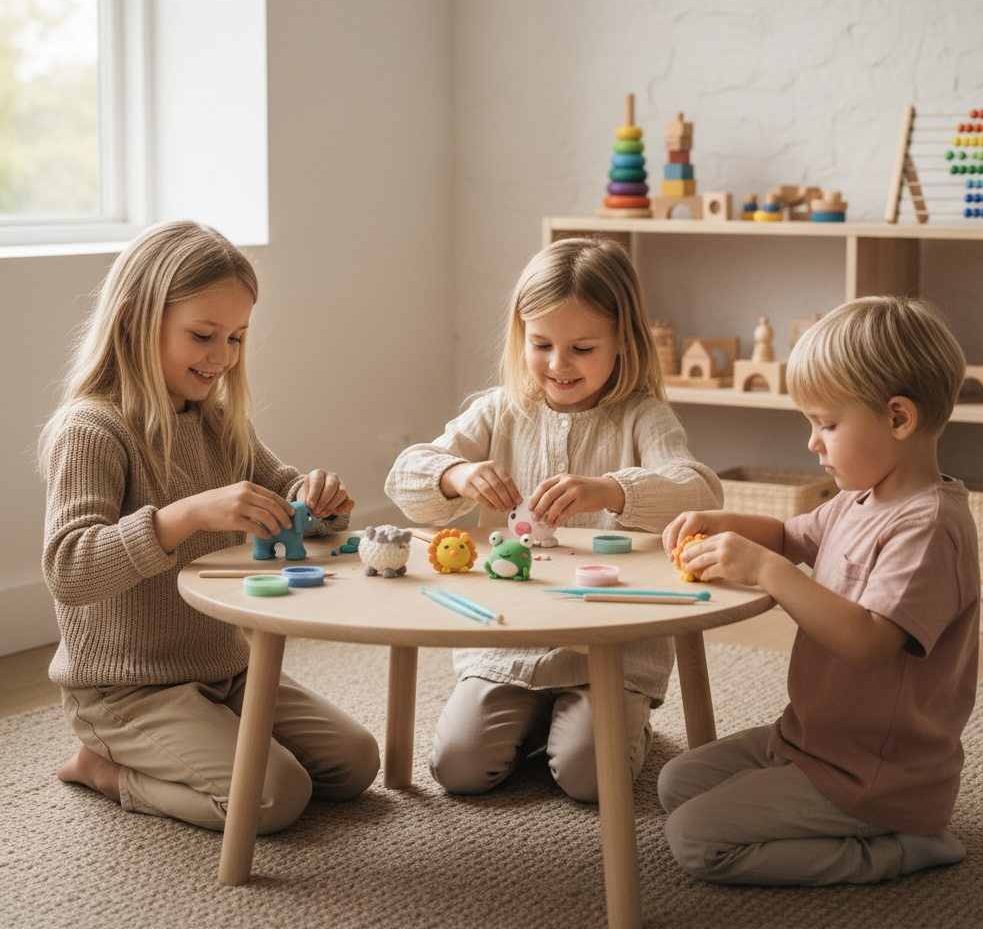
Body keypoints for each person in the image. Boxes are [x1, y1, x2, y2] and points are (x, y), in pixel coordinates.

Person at [38, 219, 380, 834]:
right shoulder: (92, 429)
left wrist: (318, 501)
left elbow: (283, 491)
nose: (222, 357)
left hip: (225, 667)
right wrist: (186, 515)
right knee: (274, 797)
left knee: (354, 763)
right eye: (203, 335)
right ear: (134, 321)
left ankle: (203, 735)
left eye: (237, 337)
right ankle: (103, 768)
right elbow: (70, 568)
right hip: (126, 689)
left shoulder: (217, 419)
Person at [385, 236, 723, 801]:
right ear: (521, 336)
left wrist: (611, 490)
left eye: (582, 348)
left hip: (610, 647)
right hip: (506, 641)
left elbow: (702, 492)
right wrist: (455, 475)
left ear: (623, 340)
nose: (559, 365)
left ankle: (613, 721)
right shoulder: (499, 410)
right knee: (459, 768)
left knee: (591, 778)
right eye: (541, 344)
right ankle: (539, 720)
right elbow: (404, 478)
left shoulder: (643, 417)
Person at [659, 295, 979, 885]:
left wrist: (766, 570)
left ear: (899, 418)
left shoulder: (929, 526)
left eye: (827, 424)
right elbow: (787, 536)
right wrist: (720, 522)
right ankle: (815, 795)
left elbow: (869, 643)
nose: (812, 442)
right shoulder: (858, 499)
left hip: (878, 772)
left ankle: (900, 848)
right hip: (811, 738)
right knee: (676, 783)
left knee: (697, 840)